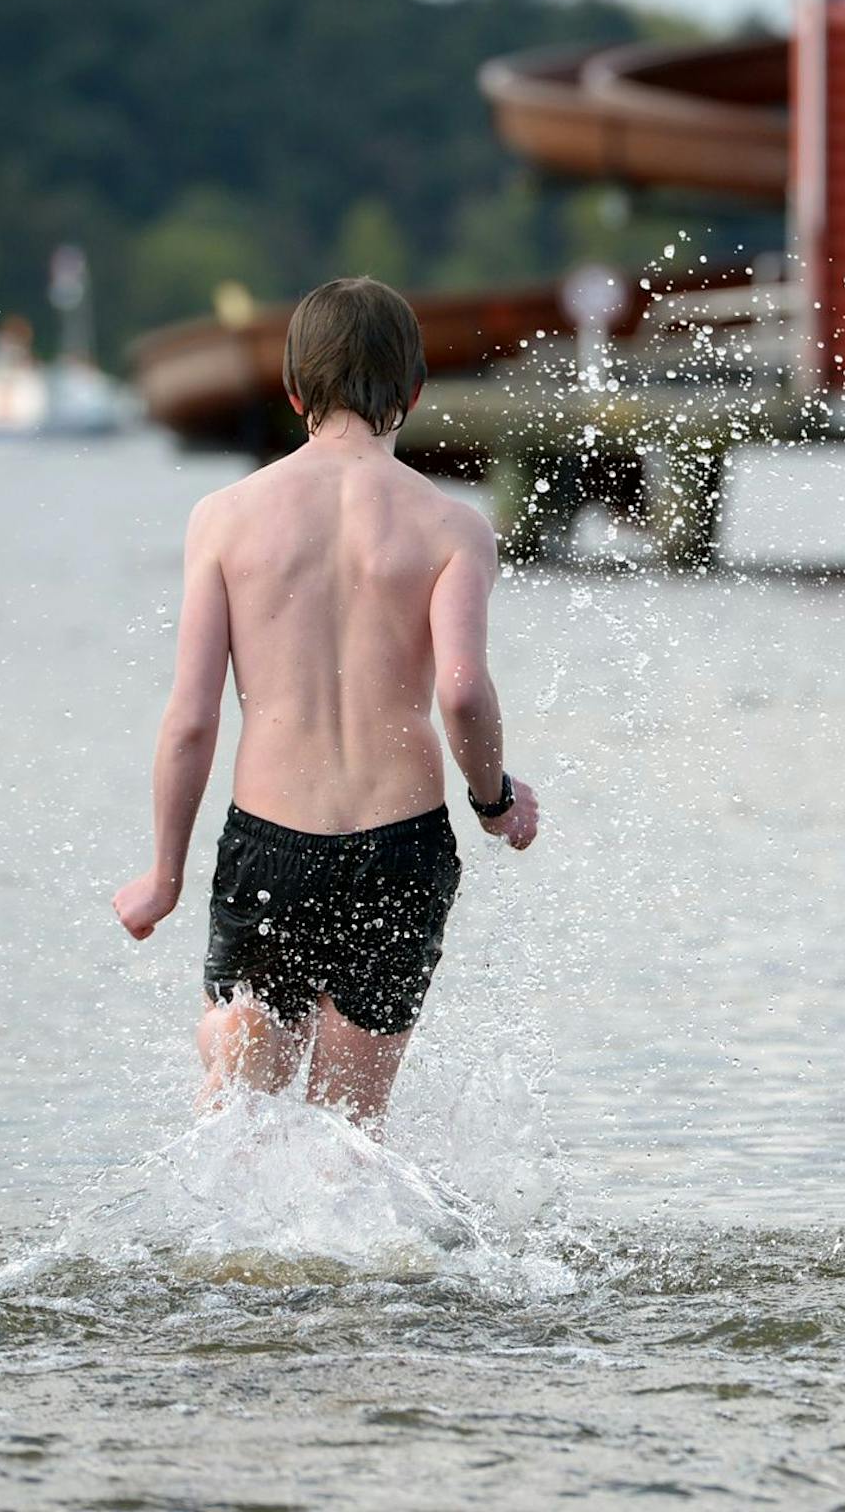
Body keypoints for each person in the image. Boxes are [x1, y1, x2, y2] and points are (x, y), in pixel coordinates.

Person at [112, 277, 539, 1135]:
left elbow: (193, 717)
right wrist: (493, 798)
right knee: (352, 1129)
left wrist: (164, 875)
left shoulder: (226, 518)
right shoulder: (452, 527)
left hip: (272, 843)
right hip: (400, 847)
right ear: (415, 392)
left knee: (244, 1108)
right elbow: (461, 691)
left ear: (294, 389)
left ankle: (235, 1039)